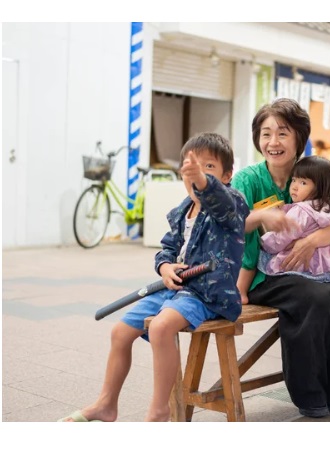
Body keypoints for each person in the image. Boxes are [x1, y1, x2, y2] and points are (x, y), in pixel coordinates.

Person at [59, 132, 249, 422]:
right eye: (191, 167)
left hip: (209, 294)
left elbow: (221, 203)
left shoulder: (232, 203)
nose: (197, 173)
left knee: (161, 328)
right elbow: (166, 251)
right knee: (119, 333)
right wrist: (165, 268)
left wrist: (203, 181)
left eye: (208, 167)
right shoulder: (180, 212)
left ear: (226, 175)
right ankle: (106, 404)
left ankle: (160, 411)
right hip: (173, 291)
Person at [231, 98, 330, 419]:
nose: (273, 142)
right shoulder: (248, 180)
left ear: (299, 138)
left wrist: (314, 239)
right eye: (265, 134)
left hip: (315, 271)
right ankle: (308, 393)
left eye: (283, 133)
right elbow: (234, 228)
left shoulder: (311, 171)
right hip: (261, 276)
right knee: (314, 299)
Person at [258, 155, 330, 280]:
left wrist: (264, 243)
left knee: (263, 258)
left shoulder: (301, 211)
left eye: (303, 183)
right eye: (294, 180)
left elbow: (281, 238)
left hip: (307, 267)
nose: (294, 186)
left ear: (320, 187)